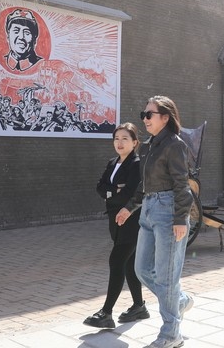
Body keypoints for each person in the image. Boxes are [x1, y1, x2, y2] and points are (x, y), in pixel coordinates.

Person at [116, 96, 194, 348]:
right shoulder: (148, 146)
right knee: (142, 269)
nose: (145, 119)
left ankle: (171, 334)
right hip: (149, 209)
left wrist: (180, 218)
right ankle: (179, 301)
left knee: (166, 276)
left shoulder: (175, 145)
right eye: (144, 114)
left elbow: (182, 184)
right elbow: (144, 184)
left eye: (149, 114)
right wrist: (129, 207)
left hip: (168, 211)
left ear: (165, 117)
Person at [83, 123, 149, 329]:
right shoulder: (112, 162)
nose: (119, 143)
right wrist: (115, 191)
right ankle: (139, 306)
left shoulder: (136, 164)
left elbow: (131, 192)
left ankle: (106, 312)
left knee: (117, 260)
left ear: (135, 142)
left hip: (131, 219)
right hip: (114, 219)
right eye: (116, 139)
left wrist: (113, 194)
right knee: (129, 263)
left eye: (125, 139)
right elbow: (100, 187)